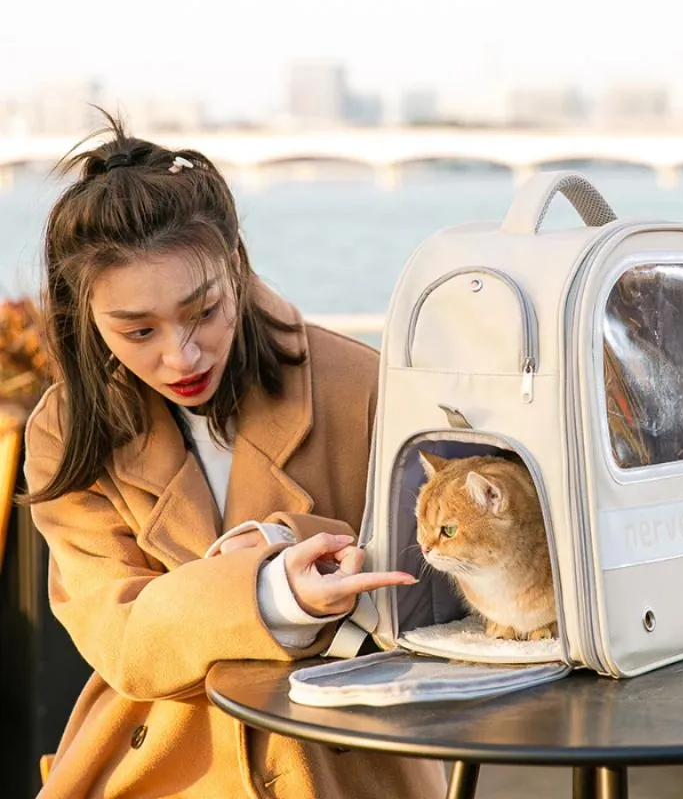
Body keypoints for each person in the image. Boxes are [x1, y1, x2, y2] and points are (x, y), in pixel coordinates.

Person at [22, 112, 447, 799]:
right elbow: (121, 638)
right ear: (86, 317)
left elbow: (434, 580)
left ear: (235, 266)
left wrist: (284, 552)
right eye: (136, 330)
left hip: (341, 760)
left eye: (204, 311)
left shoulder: (362, 385)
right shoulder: (64, 431)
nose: (180, 355)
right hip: (156, 759)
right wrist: (269, 586)